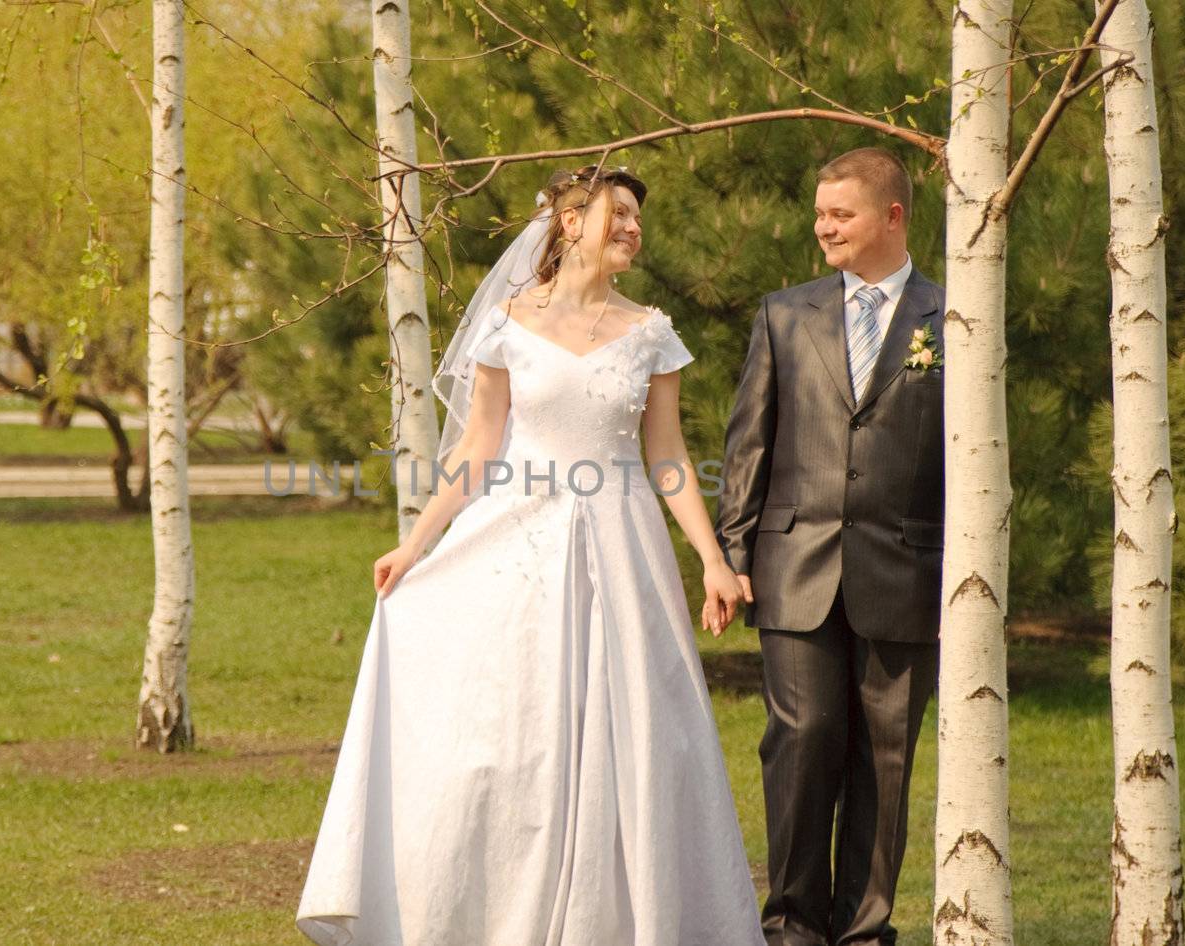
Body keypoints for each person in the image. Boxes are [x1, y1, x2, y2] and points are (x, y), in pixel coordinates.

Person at [296, 165, 763, 945]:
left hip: (623, 549)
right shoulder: (508, 324)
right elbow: (477, 449)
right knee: (509, 743)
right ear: (569, 223)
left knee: (638, 734)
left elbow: (670, 458)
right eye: (619, 214)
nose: (632, 230)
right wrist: (416, 543)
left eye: (638, 220)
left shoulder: (651, 331)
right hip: (516, 545)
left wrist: (712, 560)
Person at [715, 147, 945, 946]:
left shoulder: (952, 320)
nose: (823, 228)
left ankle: (866, 932)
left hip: (909, 571)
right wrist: (733, 554)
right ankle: (791, 926)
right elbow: (749, 442)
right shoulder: (785, 314)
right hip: (795, 565)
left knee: (885, 760)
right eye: (819, 214)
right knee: (804, 739)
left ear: (892, 216)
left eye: (839, 214)